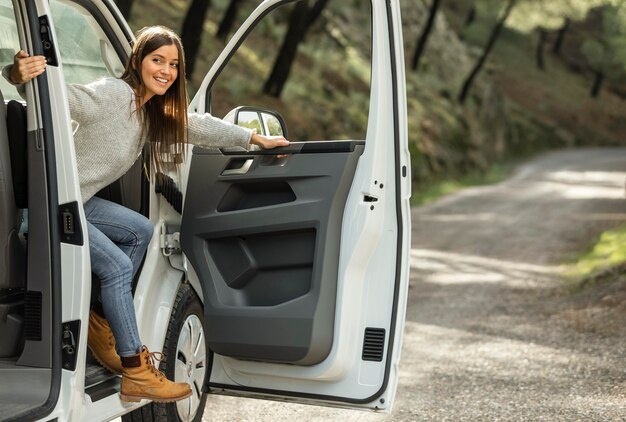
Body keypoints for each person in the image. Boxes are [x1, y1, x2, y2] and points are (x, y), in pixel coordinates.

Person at [2, 25, 288, 403]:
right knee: (118, 267)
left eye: (173, 64)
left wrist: (255, 139)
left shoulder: (149, 111)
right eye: (158, 60)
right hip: (50, 207)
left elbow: (196, 126)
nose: (166, 71)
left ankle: (98, 321)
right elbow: (56, 97)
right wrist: (16, 74)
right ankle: (135, 368)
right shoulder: (113, 95)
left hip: (77, 200)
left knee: (139, 229)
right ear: (137, 61)